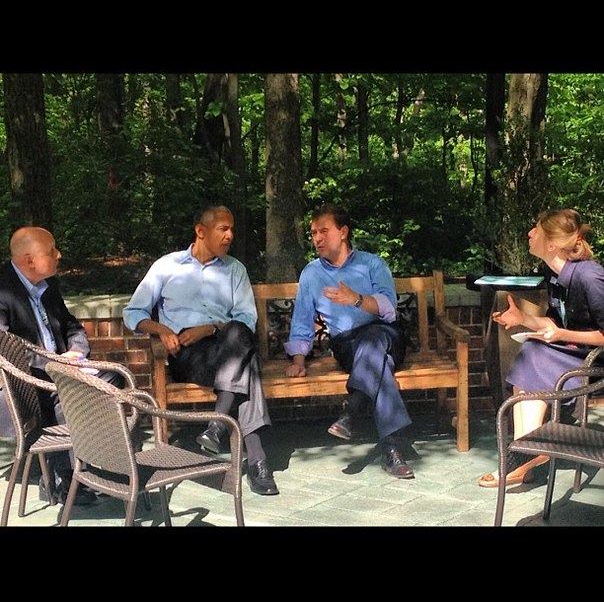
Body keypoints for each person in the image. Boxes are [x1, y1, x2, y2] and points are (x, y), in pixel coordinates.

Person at [123, 205, 279, 496]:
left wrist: (210, 328)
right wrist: (163, 330)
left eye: (232, 229)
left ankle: (219, 429)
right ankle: (256, 462)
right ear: (200, 231)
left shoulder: (235, 269)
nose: (230, 235)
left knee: (238, 335)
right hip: (189, 355)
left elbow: (247, 318)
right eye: (223, 229)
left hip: (227, 345)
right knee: (249, 365)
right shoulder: (167, 266)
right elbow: (133, 312)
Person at [284, 203, 414, 479]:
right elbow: (303, 319)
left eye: (324, 231)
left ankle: (354, 411)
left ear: (343, 232)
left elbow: (389, 309)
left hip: (385, 334)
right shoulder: (311, 274)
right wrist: (298, 359)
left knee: (374, 340)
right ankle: (389, 446)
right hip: (347, 345)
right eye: (313, 233)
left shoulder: (373, 264)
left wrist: (356, 299)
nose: (317, 239)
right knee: (378, 364)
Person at [478, 208, 604, 487]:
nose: (529, 233)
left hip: (594, 359)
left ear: (551, 244)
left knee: (533, 355)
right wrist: (523, 319)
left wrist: (562, 334)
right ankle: (527, 453)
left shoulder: (589, 277)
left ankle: (526, 455)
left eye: (536, 229)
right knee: (530, 353)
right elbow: (555, 322)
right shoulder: (554, 274)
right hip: (572, 349)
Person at [0, 226, 126, 506]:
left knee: (111, 380)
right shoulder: (3, 290)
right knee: (71, 393)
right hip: (22, 384)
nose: (59, 255)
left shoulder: (48, 285)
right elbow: (5, 351)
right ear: (29, 260)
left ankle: (96, 463)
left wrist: (77, 352)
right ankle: (64, 477)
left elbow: (71, 325)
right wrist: (56, 364)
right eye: (51, 251)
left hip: (59, 370)